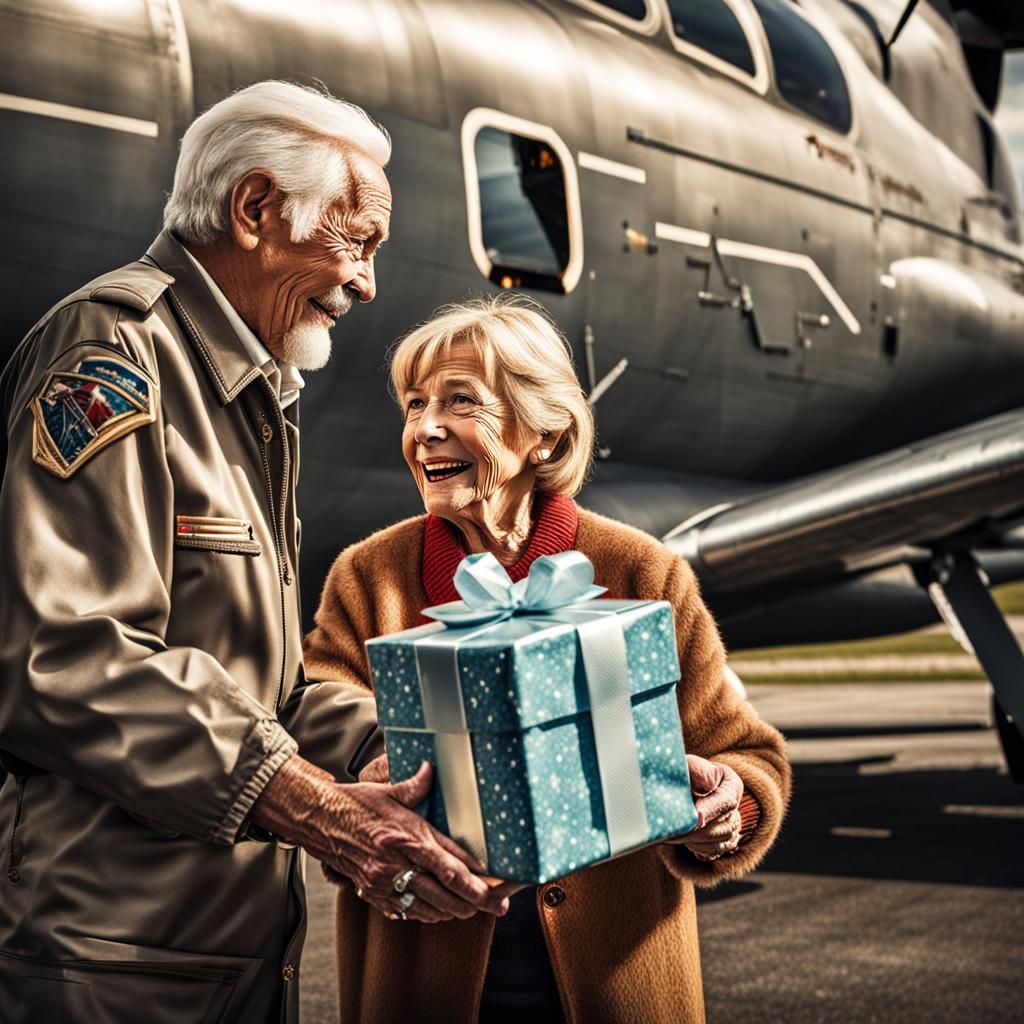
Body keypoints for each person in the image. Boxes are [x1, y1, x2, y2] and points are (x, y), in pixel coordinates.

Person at [0, 81, 506, 1024]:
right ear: (257, 210)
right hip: (113, 973)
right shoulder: (113, 351)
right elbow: (64, 659)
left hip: (225, 963)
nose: (366, 283)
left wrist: (390, 749)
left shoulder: (247, 394)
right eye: (357, 241)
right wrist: (319, 809)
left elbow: (256, 687)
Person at [304, 296, 792, 1023]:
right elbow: (314, 729)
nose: (424, 429)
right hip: (421, 980)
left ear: (544, 432)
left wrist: (733, 806)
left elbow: (747, 754)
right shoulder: (367, 575)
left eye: (459, 401)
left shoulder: (644, 572)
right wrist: (369, 768)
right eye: (414, 405)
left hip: (617, 988)